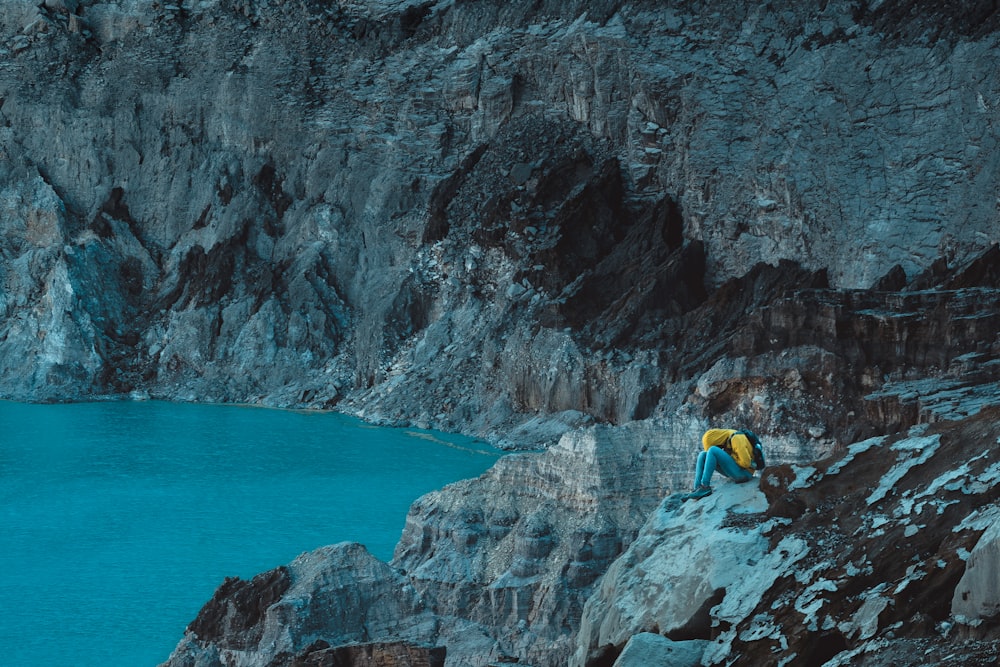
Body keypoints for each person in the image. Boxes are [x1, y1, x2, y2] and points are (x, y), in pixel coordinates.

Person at [686, 428, 763, 500]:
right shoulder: (727, 440)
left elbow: (746, 463)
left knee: (713, 450)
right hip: (736, 471)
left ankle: (705, 486)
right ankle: (697, 488)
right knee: (703, 455)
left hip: (745, 473)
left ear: (717, 442)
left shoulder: (737, 438)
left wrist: (732, 460)